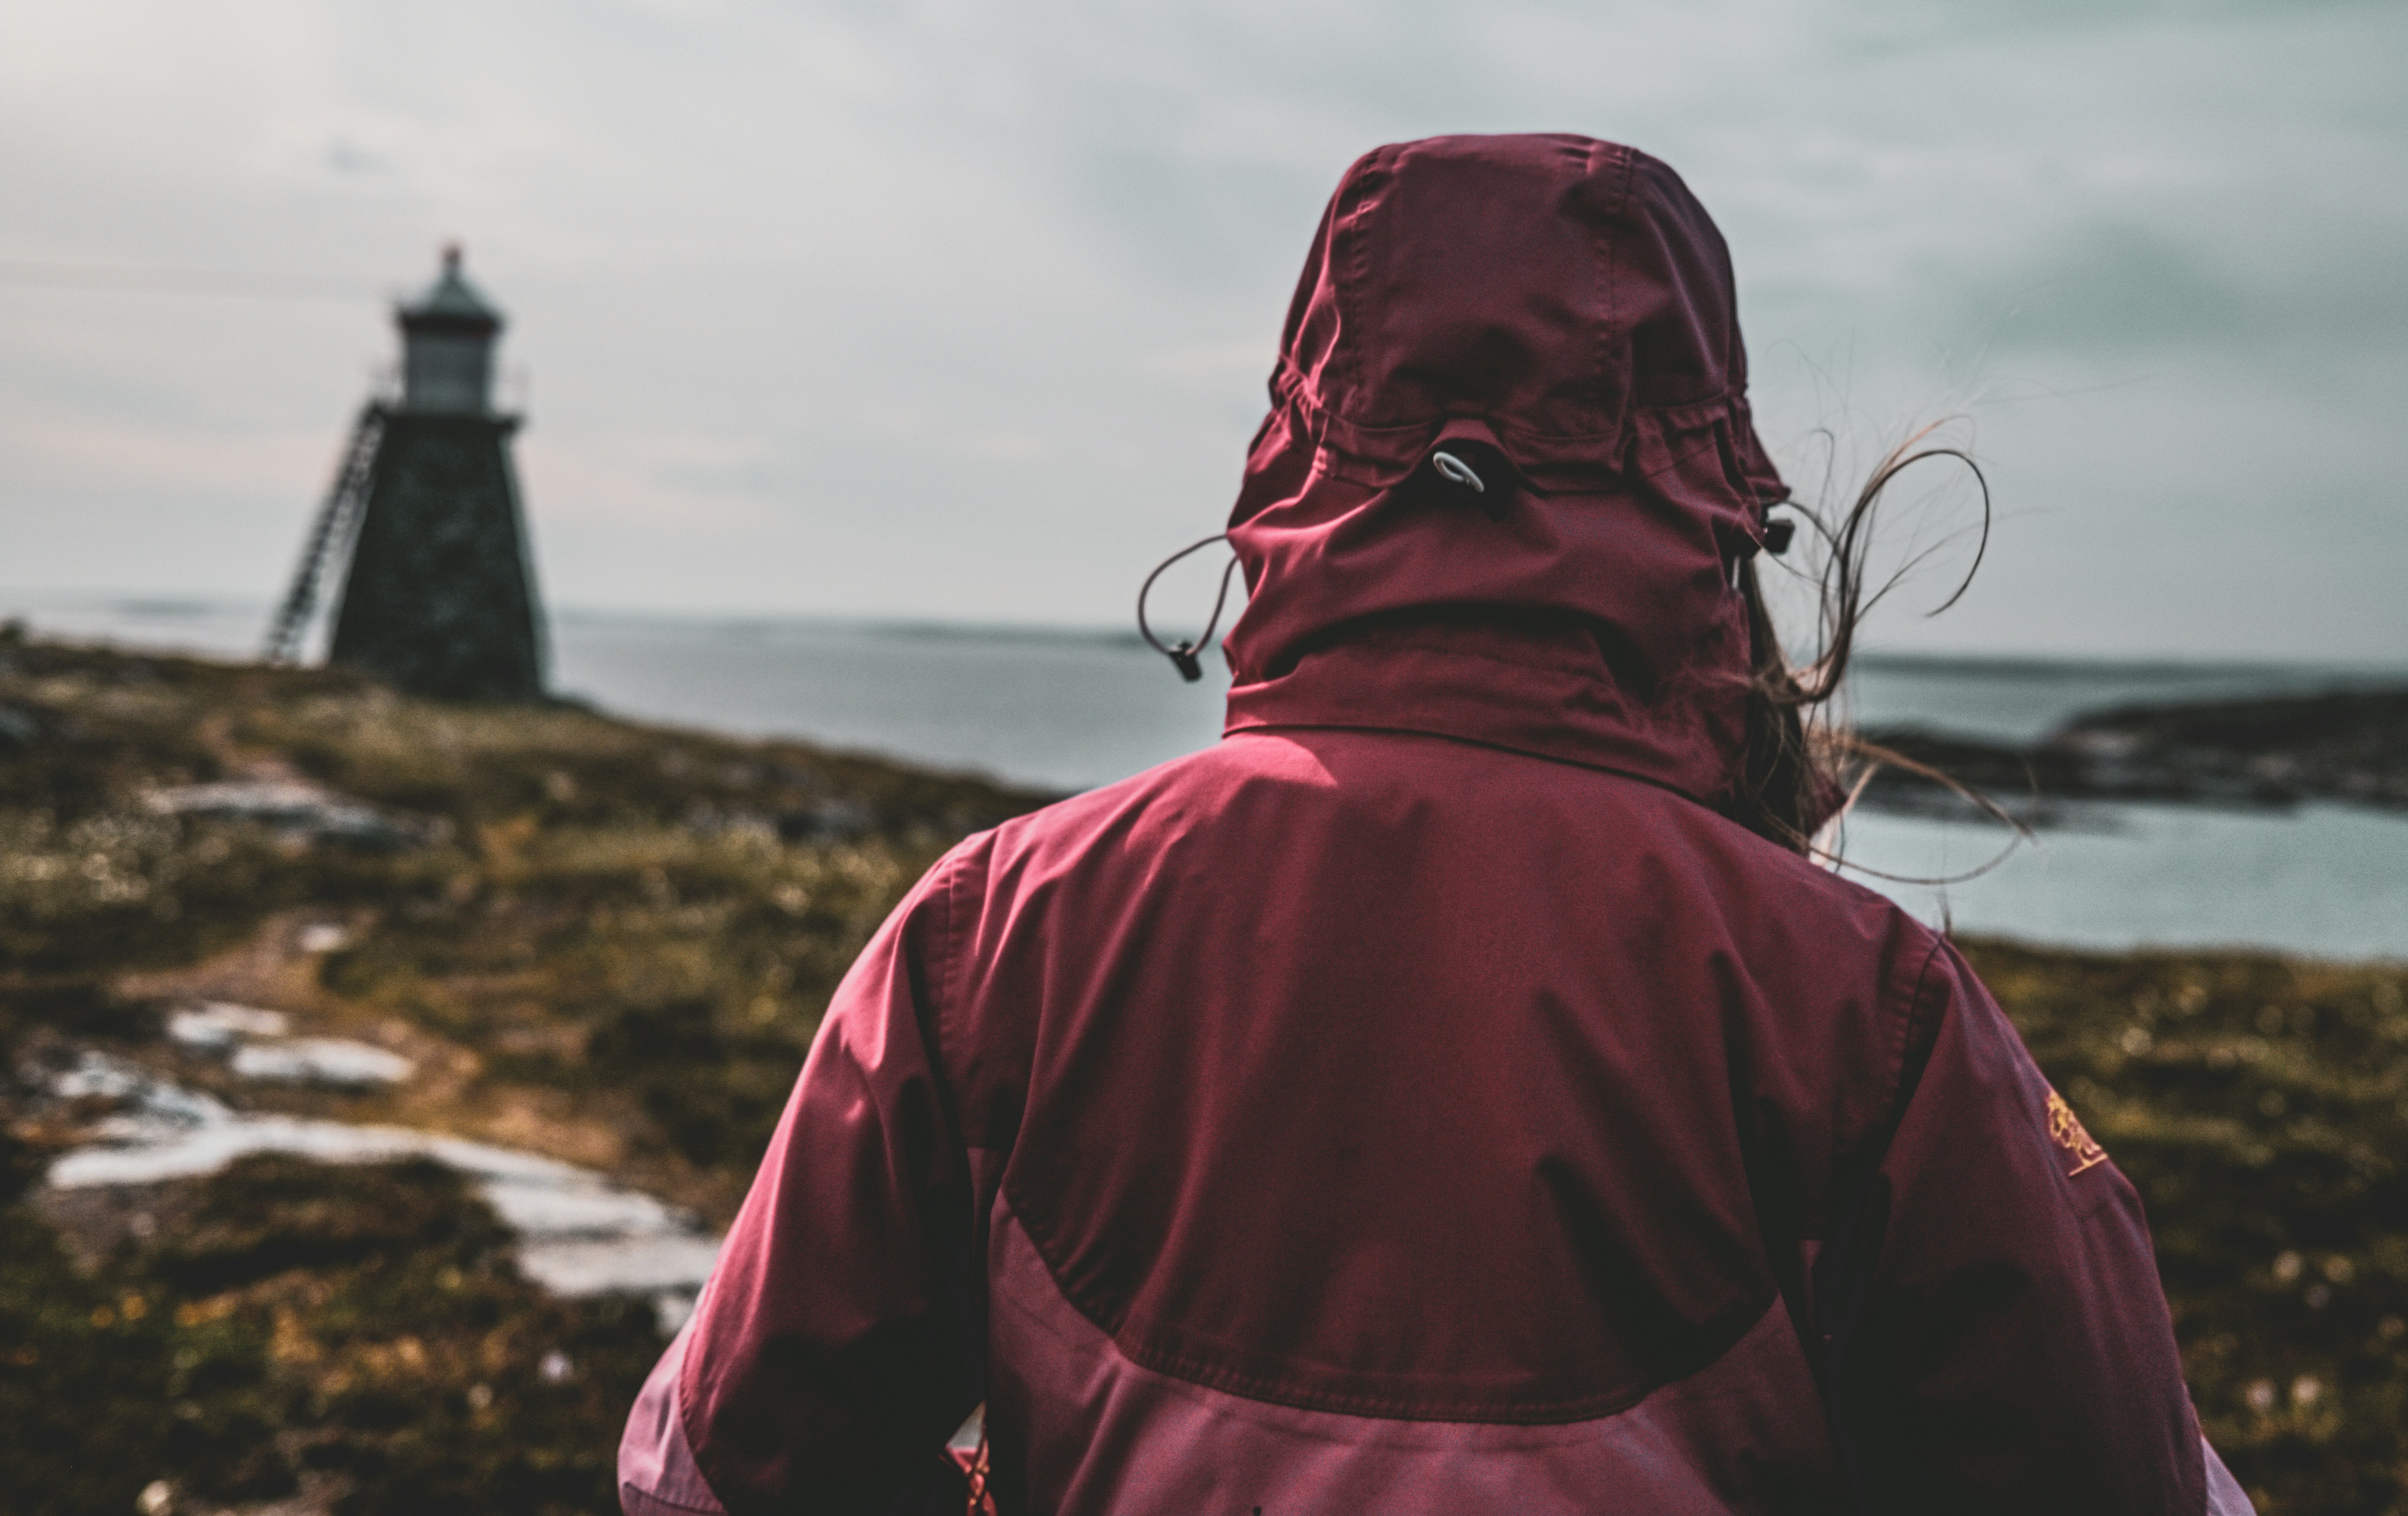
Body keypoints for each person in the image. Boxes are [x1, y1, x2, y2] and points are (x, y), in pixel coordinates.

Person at [618, 133, 2256, 1515]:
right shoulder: (1864, 1014)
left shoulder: (999, 933)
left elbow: (717, 1467)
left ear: (1299, 463)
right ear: (1715, 506)